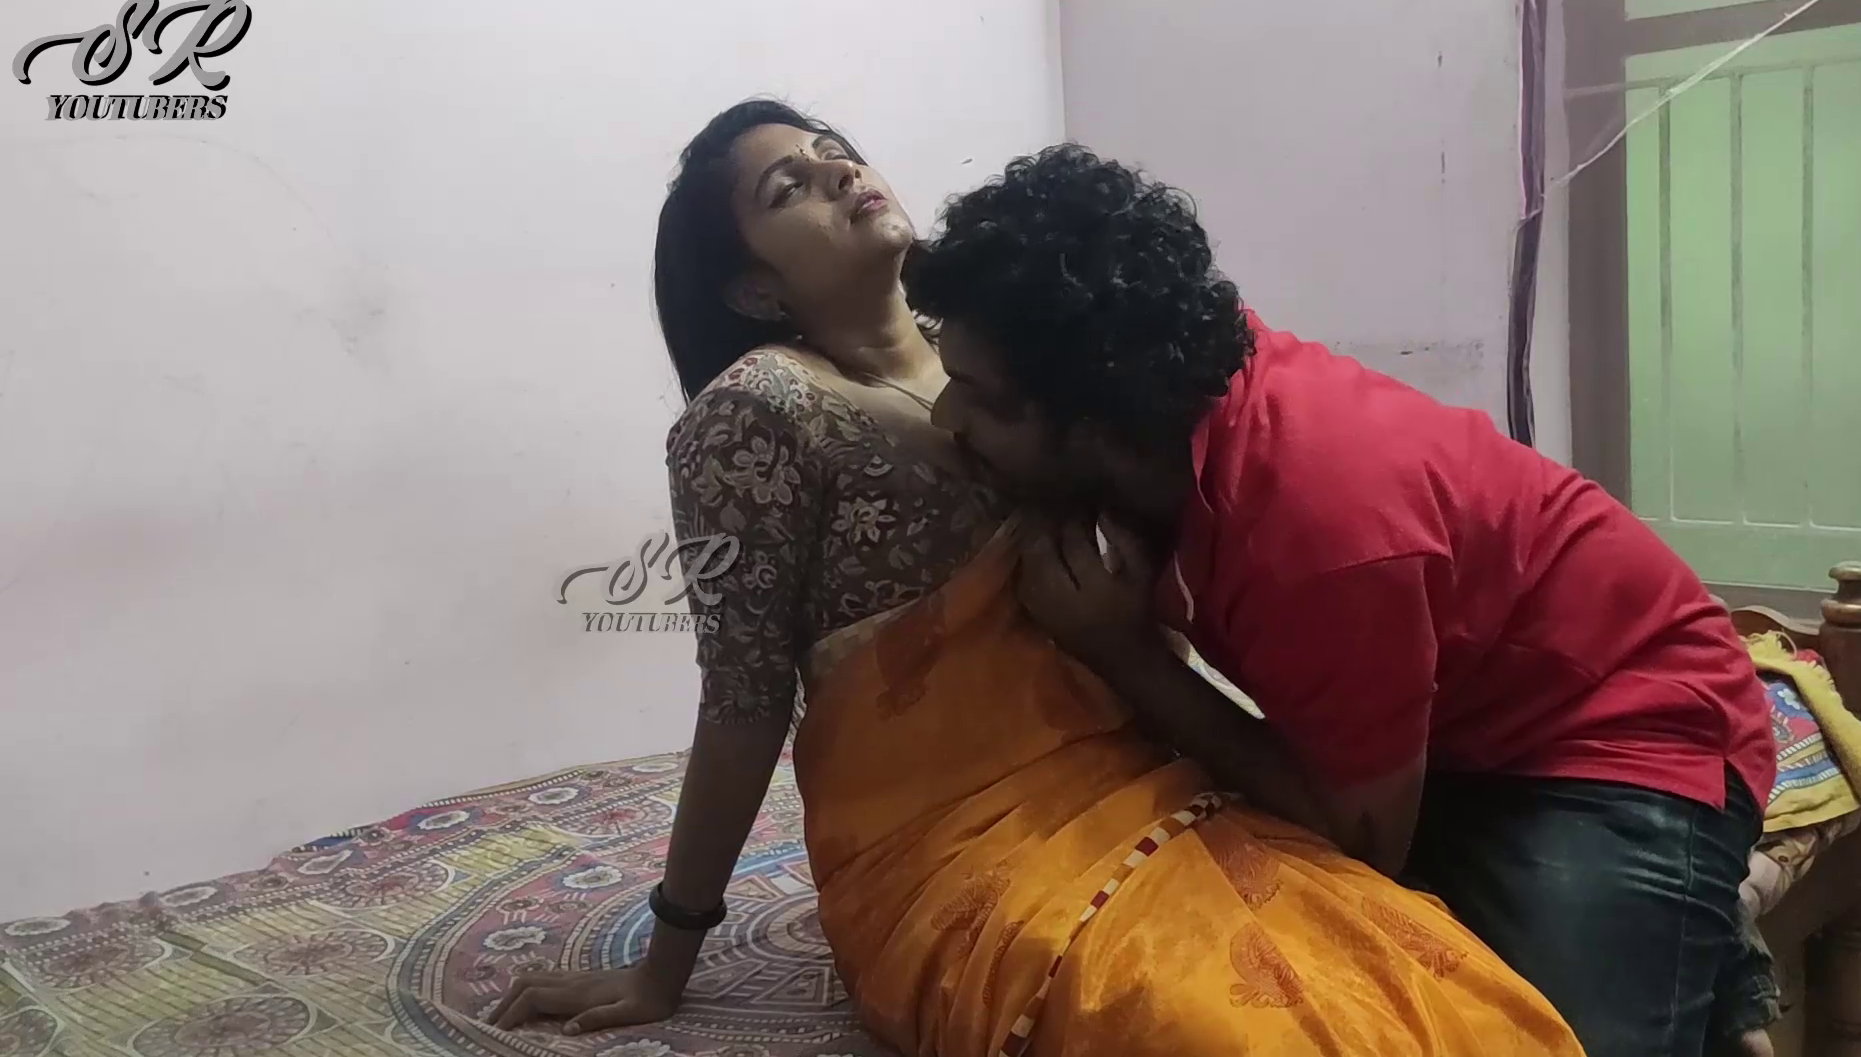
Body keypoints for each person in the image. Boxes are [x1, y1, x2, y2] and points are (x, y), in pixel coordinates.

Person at [488, 99, 1583, 1055]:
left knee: (1432, 986)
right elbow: (742, 694)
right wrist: (668, 956)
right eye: (789, 188)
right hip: (950, 841)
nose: (837, 169)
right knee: (1222, 1027)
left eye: (831, 148)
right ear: (753, 288)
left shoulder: (1019, 347)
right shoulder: (755, 416)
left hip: (1149, 784)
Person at [908, 143, 1776, 1057]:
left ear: (1099, 423)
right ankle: (1696, 946)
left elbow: (1362, 839)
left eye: (982, 399)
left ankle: (1699, 905)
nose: (944, 420)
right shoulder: (1169, 392)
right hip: (1466, 721)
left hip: (1633, 726)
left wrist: (1127, 657)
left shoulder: (1318, 523)